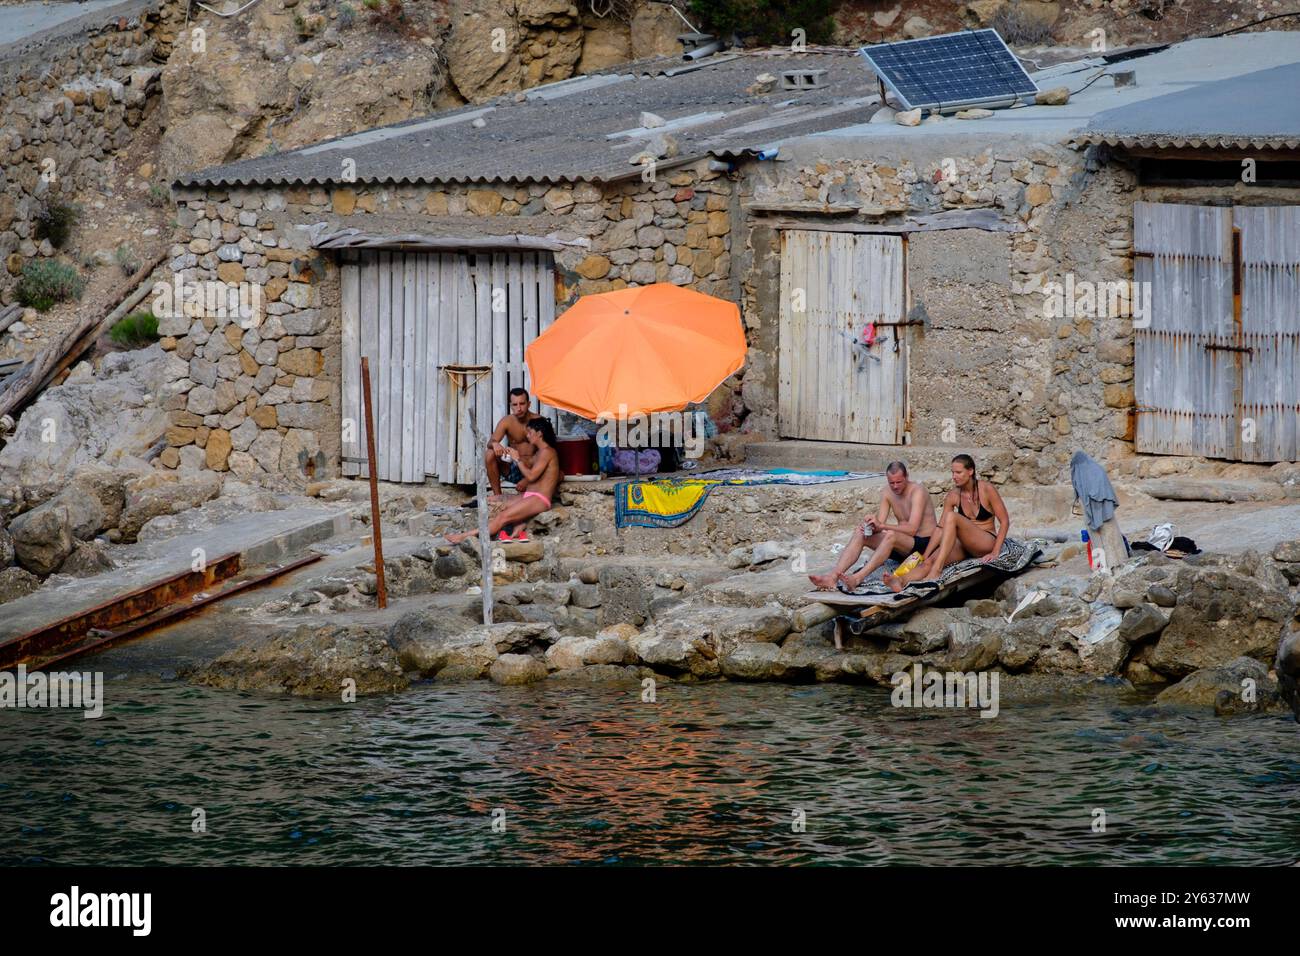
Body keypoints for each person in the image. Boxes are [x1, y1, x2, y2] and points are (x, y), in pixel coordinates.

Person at [887, 453, 1010, 593]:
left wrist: (995, 551)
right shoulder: (953, 495)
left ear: (970, 471)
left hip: (985, 541)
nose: (954, 476)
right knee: (929, 561)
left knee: (952, 517)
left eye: (958, 472)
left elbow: (1005, 521)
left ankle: (937, 570)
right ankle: (900, 581)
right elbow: (940, 528)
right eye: (952, 472)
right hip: (963, 545)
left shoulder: (986, 489)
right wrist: (926, 555)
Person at [808, 461, 938, 591]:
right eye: (891, 483)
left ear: (907, 477)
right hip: (902, 546)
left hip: (923, 545)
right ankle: (832, 577)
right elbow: (879, 522)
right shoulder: (887, 492)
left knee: (891, 535)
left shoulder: (917, 491)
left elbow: (912, 529)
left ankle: (858, 577)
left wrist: (882, 526)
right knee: (861, 532)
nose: (895, 486)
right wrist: (871, 524)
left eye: (899, 482)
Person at [449, 418, 560, 544]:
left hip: (539, 499)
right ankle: (518, 528)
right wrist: (512, 455)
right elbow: (527, 464)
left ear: (539, 433)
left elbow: (531, 477)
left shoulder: (548, 452)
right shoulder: (539, 453)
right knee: (493, 500)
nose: (527, 436)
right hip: (529, 496)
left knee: (503, 516)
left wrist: (517, 460)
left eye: (530, 432)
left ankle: (464, 536)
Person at [484, 387, 541, 501]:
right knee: (489, 453)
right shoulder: (507, 421)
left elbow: (548, 452)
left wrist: (528, 479)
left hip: (533, 470)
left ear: (529, 404)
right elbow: (491, 442)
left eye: (522, 404)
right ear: (511, 406)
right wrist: (495, 444)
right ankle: (498, 496)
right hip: (514, 468)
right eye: (515, 405)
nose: (519, 408)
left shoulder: (539, 421)